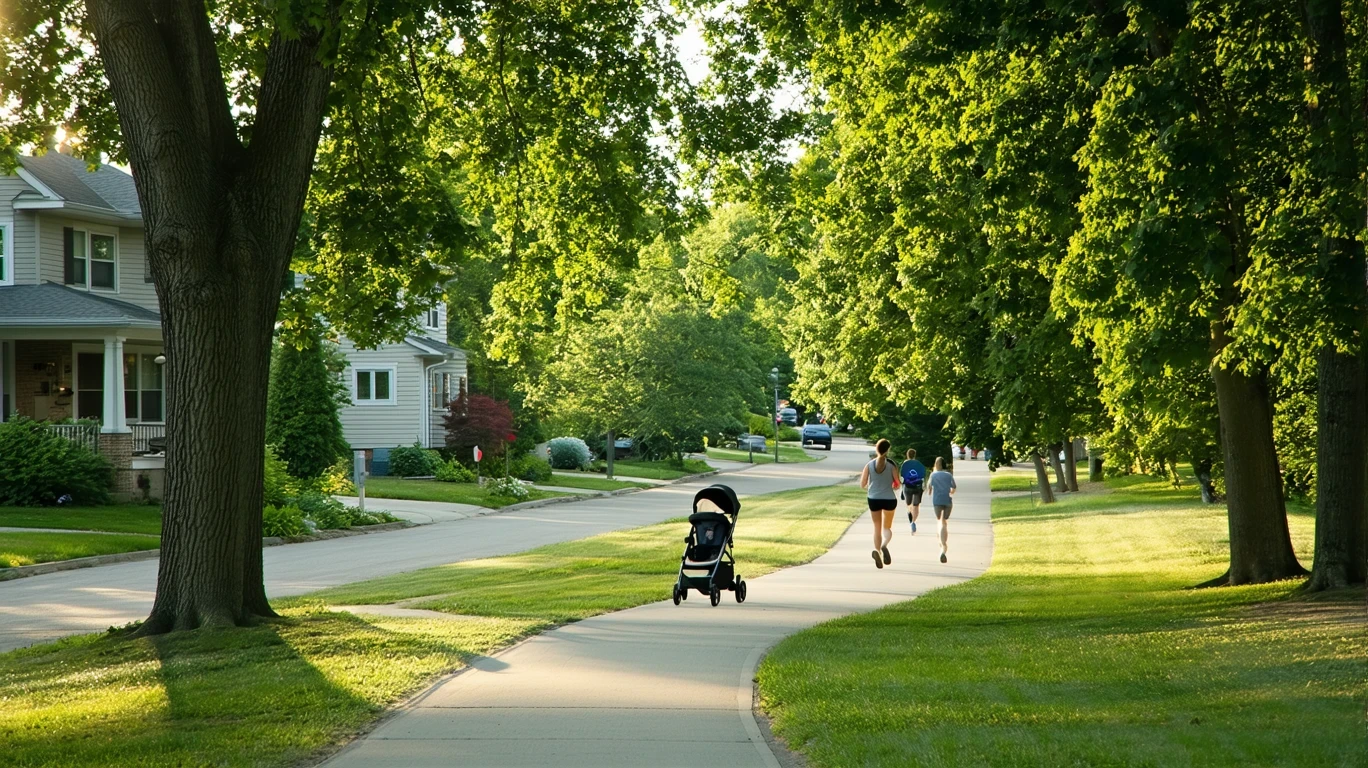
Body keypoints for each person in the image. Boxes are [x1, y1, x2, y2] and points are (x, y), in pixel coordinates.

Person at [860, 438, 900, 569]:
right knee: (886, 527)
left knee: (877, 527)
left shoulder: (869, 465)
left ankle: (877, 551)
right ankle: (884, 545)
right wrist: (893, 486)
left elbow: (863, 484)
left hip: (873, 499)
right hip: (889, 499)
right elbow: (897, 484)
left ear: (876, 449)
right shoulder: (891, 465)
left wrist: (872, 487)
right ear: (888, 450)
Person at [928, 457, 957, 563]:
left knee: (940, 521)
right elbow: (953, 488)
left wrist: (931, 491)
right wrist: (950, 491)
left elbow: (929, 489)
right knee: (944, 522)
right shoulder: (948, 475)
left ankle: (942, 544)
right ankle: (943, 545)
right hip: (947, 501)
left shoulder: (933, 475)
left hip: (937, 501)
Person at [899, 449, 927, 534]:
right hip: (918, 486)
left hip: (907, 487)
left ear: (907, 455)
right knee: (916, 506)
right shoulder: (919, 464)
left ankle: (911, 521)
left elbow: (902, 477)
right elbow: (923, 475)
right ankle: (913, 522)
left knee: (909, 505)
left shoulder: (905, 464)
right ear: (915, 455)